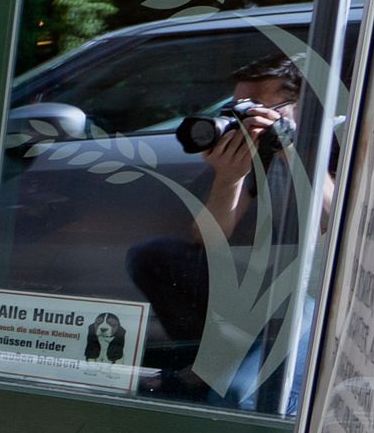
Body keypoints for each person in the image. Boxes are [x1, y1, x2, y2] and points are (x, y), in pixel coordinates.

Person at [129, 52, 312, 411]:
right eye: (237, 106)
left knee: (240, 398)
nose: (244, 116)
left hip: (312, 292)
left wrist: (292, 149)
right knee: (154, 256)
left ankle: (220, 375)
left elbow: (333, 218)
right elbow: (208, 236)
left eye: (256, 106)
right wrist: (229, 179)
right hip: (264, 283)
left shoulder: (334, 142)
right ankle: (211, 362)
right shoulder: (254, 150)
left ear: (298, 107)